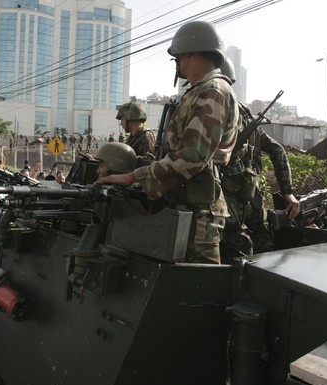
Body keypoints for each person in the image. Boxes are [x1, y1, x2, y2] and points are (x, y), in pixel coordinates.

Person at [96, 21, 239, 264]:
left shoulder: (213, 91)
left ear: (189, 52)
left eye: (178, 57)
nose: (177, 63)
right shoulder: (200, 90)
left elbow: (193, 155)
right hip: (185, 203)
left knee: (195, 289)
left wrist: (134, 176)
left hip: (200, 213)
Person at [218, 56, 300, 263]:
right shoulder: (244, 115)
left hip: (228, 202)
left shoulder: (217, 112)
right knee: (263, 245)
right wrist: (287, 192)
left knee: (237, 250)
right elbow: (278, 150)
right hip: (253, 197)